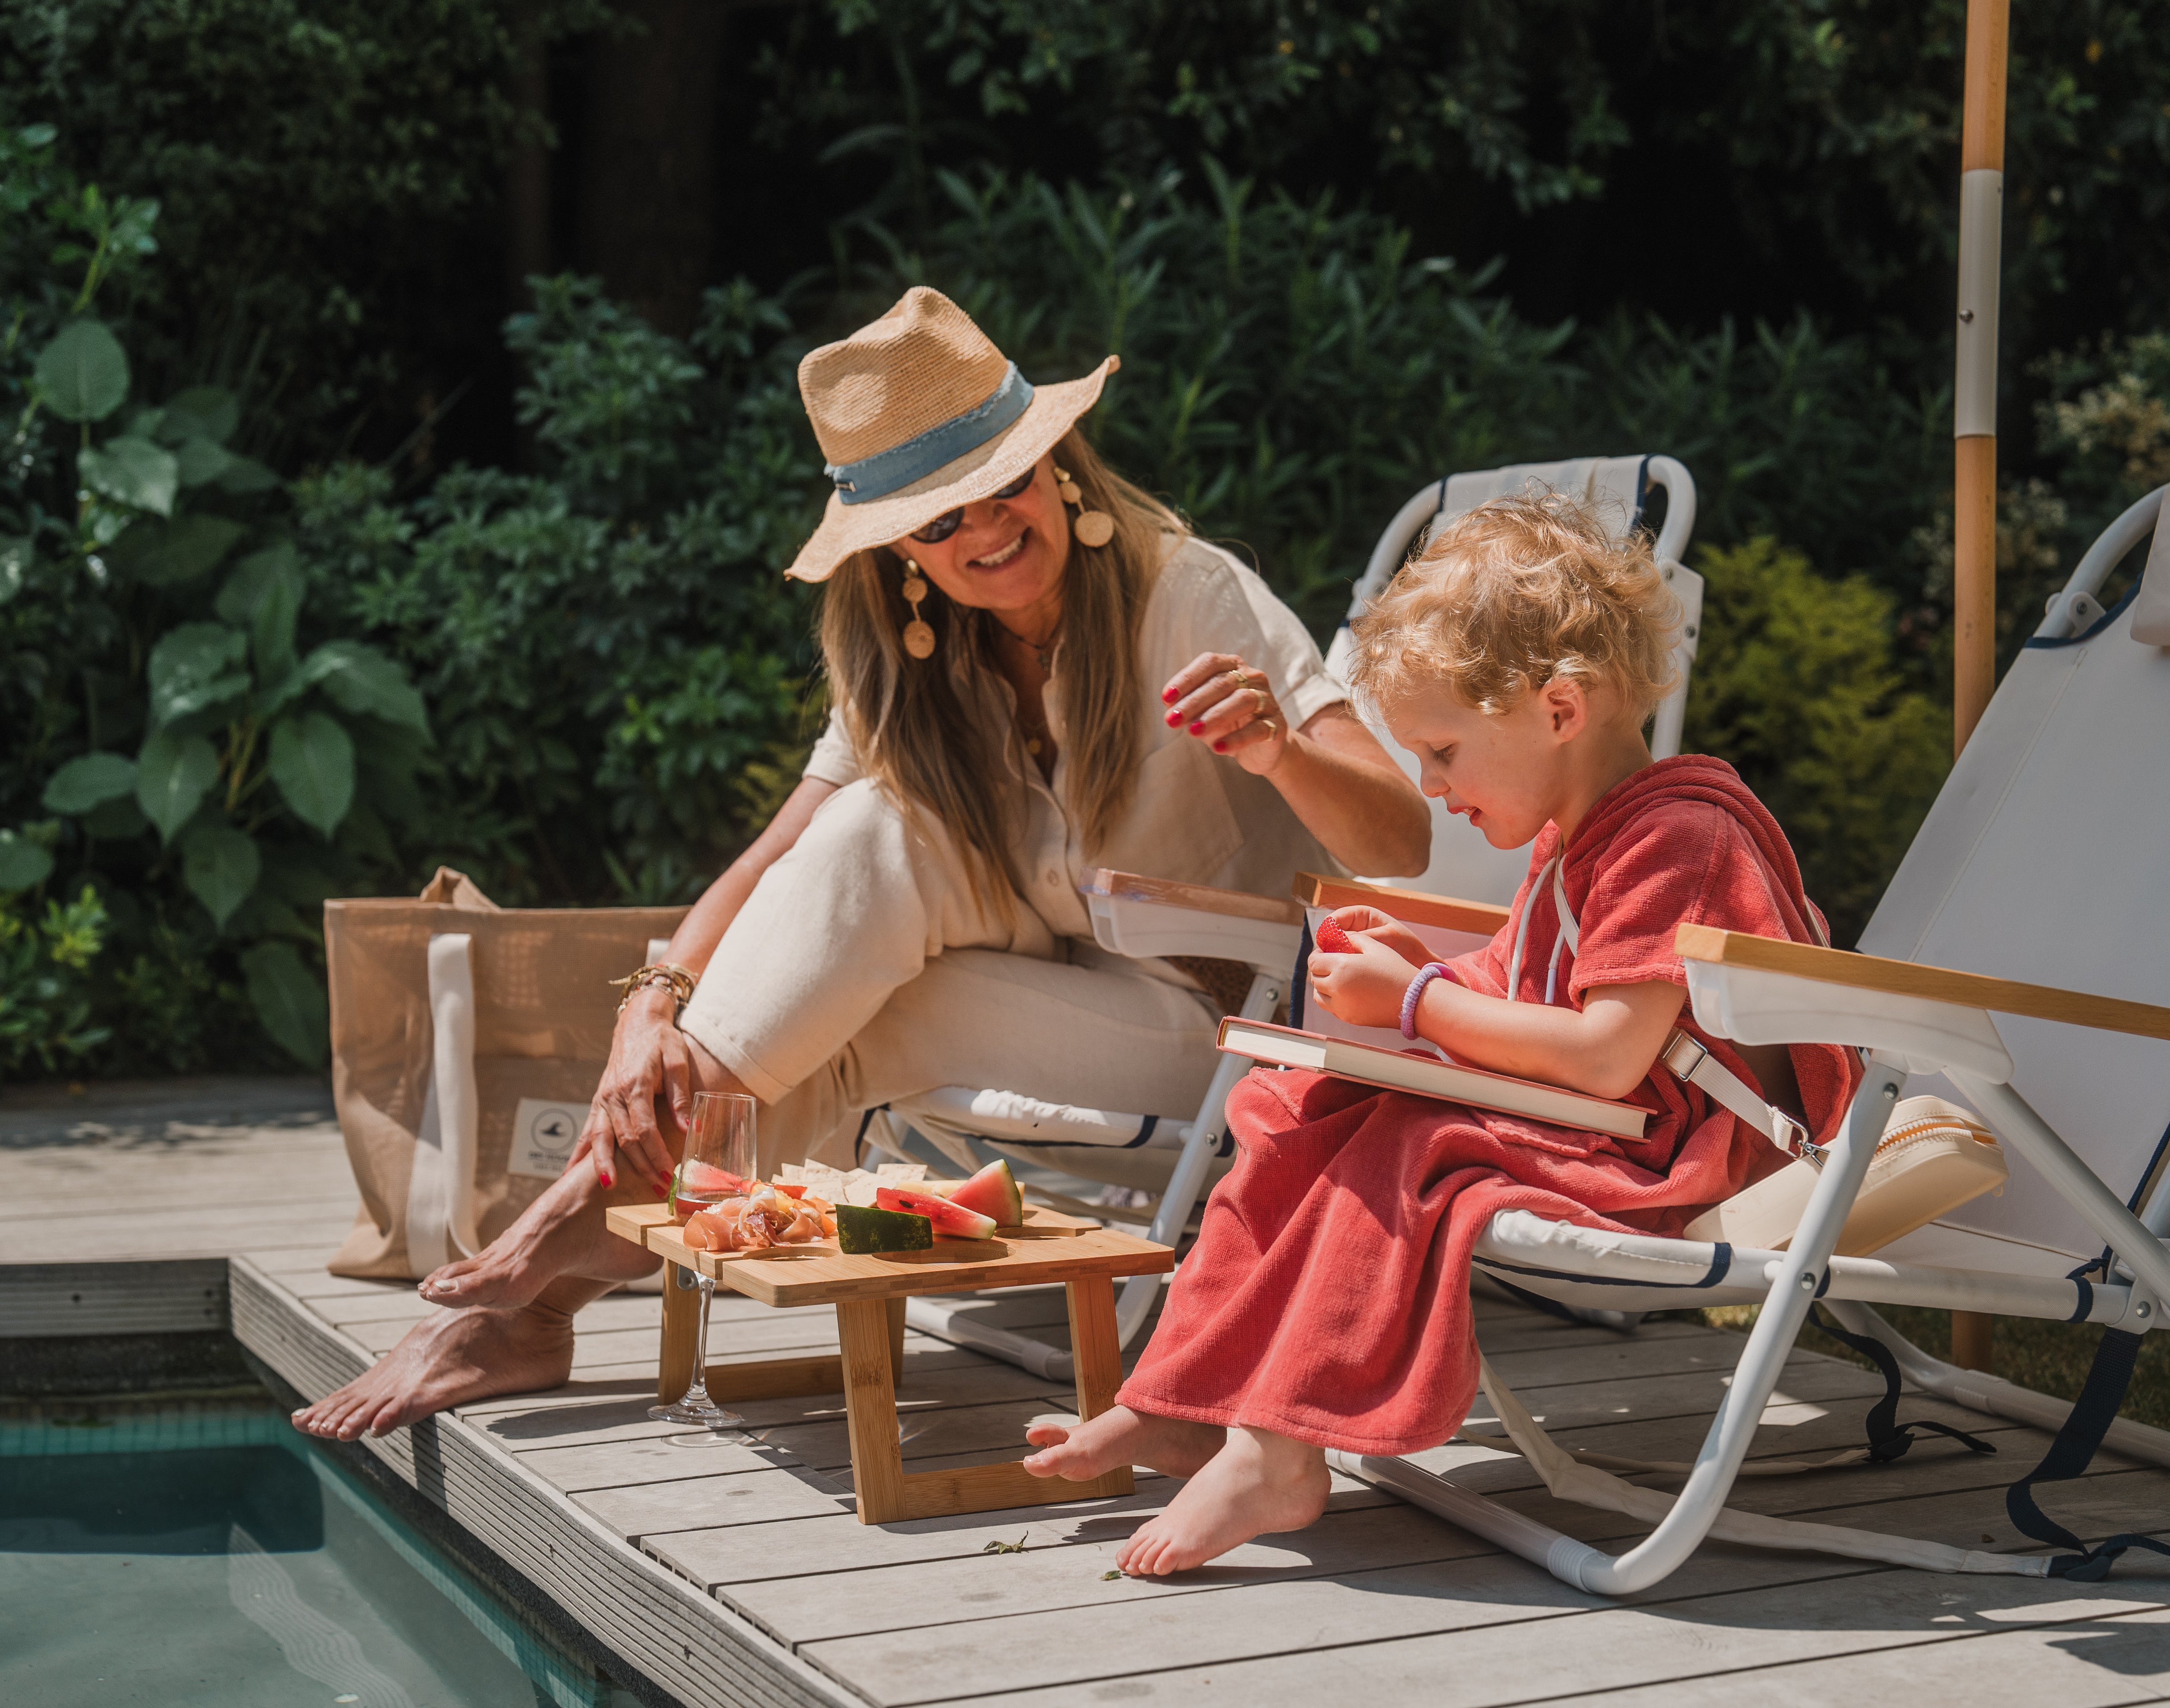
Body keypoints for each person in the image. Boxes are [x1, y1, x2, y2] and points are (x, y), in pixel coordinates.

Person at [294, 287, 1430, 1441]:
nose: (984, 530)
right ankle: (540, 1298)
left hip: (1229, 1030)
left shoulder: (1190, 595)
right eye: (938, 522)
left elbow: (1404, 838)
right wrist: (651, 1004)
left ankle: (542, 1281)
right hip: (1053, 989)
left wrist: (1280, 752)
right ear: (898, 552)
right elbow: (788, 854)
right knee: (870, 836)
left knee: (846, 990)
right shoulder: (920, 656)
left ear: (1056, 465)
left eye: (1004, 483)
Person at [1023, 491, 1862, 1575]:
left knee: (1405, 1142)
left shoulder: (1677, 839)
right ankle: (1189, 1399)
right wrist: (1420, 971)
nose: (1429, 784)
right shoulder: (1582, 837)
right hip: (1607, 1127)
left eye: (1443, 749)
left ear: (1560, 709)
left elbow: (1610, 1052)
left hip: (1675, 1156)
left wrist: (1417, 1005)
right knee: (1290, 1102)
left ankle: (1280, 1452)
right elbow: (1524, 986)